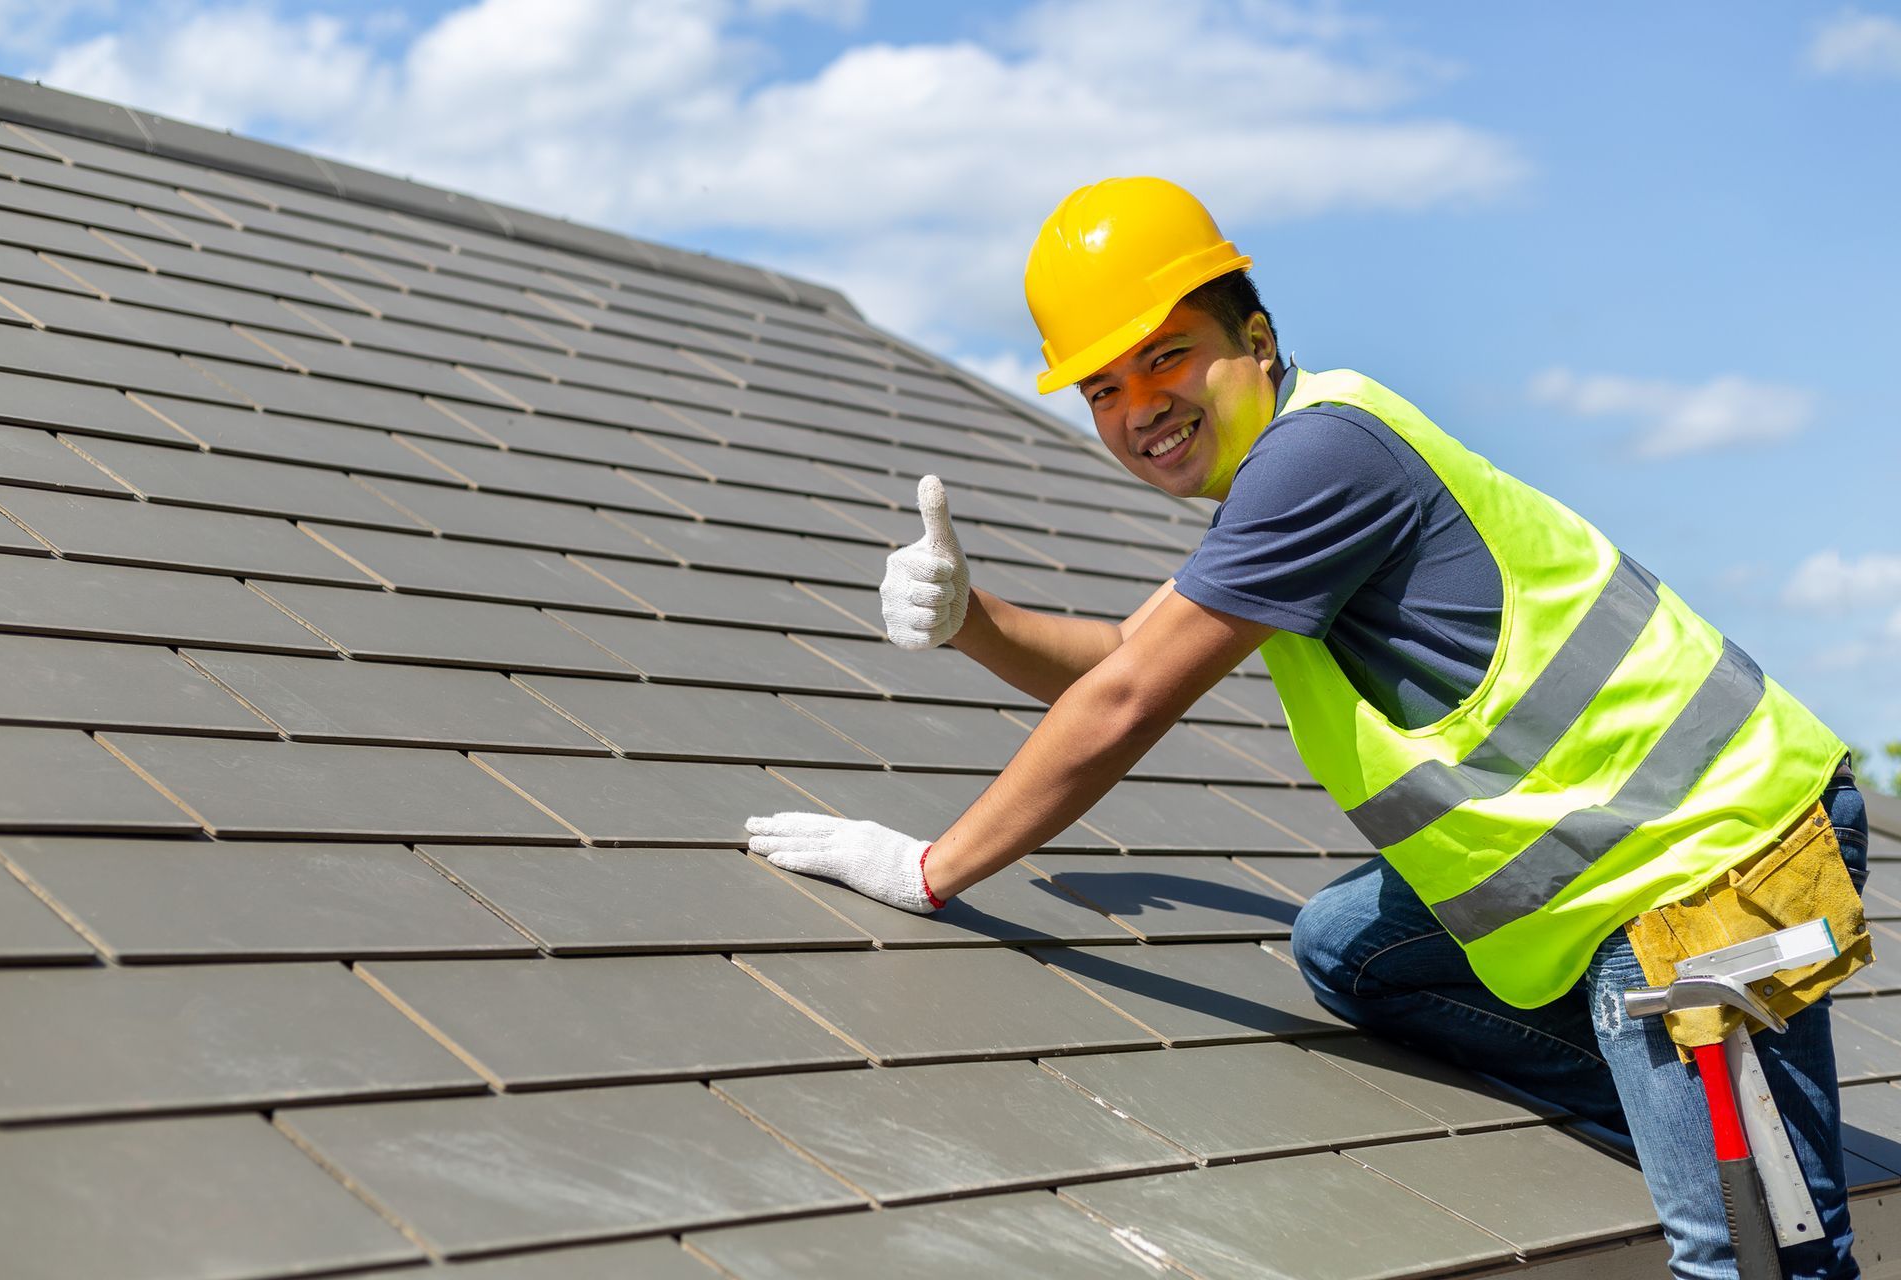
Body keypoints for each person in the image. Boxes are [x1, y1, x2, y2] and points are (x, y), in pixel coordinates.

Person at [746, 176, 1868, 1279]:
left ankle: (1725, 1132)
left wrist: (931, 869)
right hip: (1620, 854)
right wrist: (970, 619)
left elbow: (1130, 701)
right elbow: (1121, 660)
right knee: (1352, 949)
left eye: (1166, 355)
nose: (1137, 405)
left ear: (1258, 337)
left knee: (1749, 1251)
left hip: (1710, 864)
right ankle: (1673, 1090)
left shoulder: (1320, 459)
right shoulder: (1283, 479)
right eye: (1100, 387)